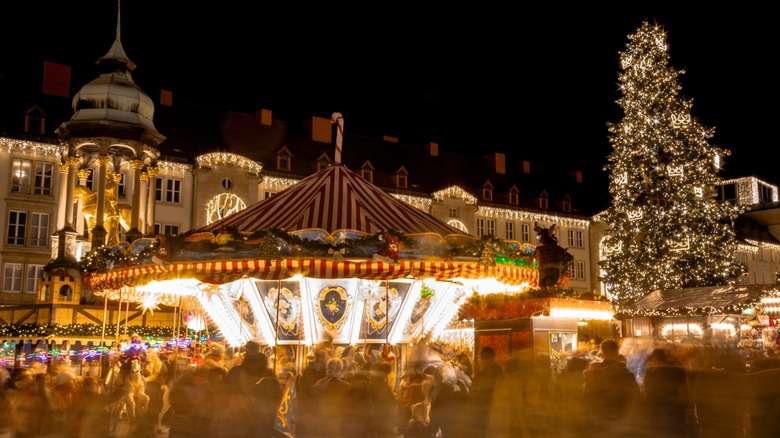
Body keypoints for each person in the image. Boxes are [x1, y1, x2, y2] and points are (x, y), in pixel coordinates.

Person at [218, 340, 283, 438]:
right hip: (239, 418)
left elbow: (273, 398)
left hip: (255, 418)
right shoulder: (238, 373)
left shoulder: (266, 378)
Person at [582, 339, 642, 437]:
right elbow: (636, 397)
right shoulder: (625, 374)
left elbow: (586, 396)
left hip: (596, 420)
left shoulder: (592, 374)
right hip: (619, 419)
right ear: (616, 352)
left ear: (602, 353)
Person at [464, 346, 504, 437]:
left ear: (481, 359)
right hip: (497, 417)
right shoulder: (502, 374)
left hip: (483, 417)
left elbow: (473, 397)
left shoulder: (481, 377)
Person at [532, 223, 571, 290]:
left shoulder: (538, 249)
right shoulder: (555, 247)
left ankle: (543, 298)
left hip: (542, 270)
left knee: (542, 287)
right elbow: (567, 256)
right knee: (551, 286)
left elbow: (533, 258)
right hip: (553, 269)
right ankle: (551, 297)